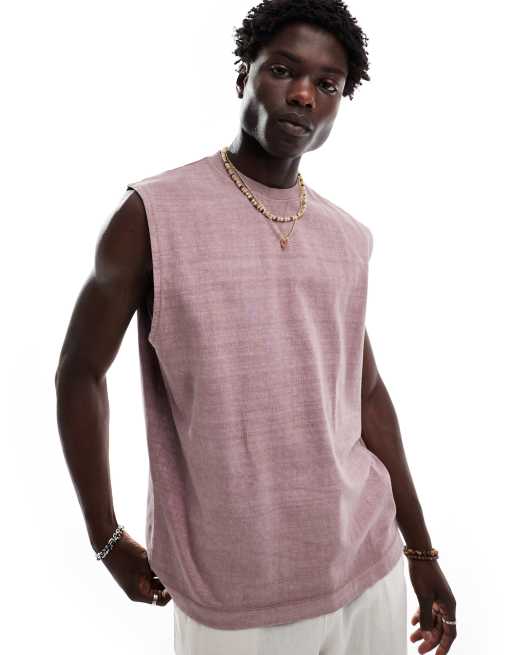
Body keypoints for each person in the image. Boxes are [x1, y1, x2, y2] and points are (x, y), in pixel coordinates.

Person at [55, 1, 457, 653]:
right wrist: (104, 535)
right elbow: (79, 373)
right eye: (283, 70)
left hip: (366, 563)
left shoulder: (347, 236)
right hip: (233, 590)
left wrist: (420, 549)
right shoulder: (152, 215)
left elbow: (367, 396)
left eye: (327, 84)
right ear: (243, 74)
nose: (302, 94)